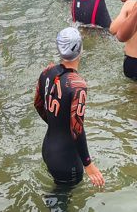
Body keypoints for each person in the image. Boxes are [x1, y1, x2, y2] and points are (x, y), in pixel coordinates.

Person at [34, 27, 105, 188]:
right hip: (66, 158)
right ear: (81, 49)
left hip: (48, 147)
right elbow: (77, 129)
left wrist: (56, 123)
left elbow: (38, 104)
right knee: (62, 201)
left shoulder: (47, 71)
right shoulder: (77, 84)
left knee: (58, 193)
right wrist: (88, 164)